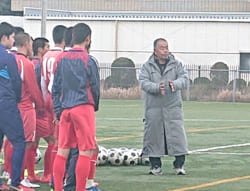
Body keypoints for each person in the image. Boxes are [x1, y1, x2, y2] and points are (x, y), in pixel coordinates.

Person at [52, 23, 100, 191]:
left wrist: (58, 111)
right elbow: (95, 86)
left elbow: (55, 88)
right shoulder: (89, 60)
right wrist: (94, 106)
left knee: (62, 151)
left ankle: (58, 188)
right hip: (83, 107)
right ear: (88, 39)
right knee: (85, 151)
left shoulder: (61, 59)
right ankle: (80, 188)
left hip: (65, 109)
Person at [139, 38, 189, 176]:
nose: (165, 50)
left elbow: (184, 78)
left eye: (166, 47)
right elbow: (143, 82)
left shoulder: (176, 64)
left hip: (173, 108)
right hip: (153, 109)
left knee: (177, 137)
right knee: (153, 138)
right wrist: (156, 87)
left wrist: (175, 84)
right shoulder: (147, 67)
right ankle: (155, 166)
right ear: (155, 51)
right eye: (162, 48)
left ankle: (179, 165)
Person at [15, 32, 44, 189]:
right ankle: (19, 179)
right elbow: (34, 90)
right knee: (26, 143)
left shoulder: (11, 59)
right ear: (26, 43)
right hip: (25, 108)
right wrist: (42, 107)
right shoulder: (26, 64)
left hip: (11, 107)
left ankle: (14, 175)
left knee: (14, 142)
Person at [0, 22, 27, 191]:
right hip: (6, 103)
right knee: (19, 142)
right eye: (11, 38)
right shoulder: (9, 57)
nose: (12, 41)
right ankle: (15, 182)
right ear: (4, 37)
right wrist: (17, 99)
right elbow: (16, 81)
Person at [41, 25, 66, 184]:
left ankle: (47, 173)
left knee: (52, 139)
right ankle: (55, 176)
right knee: (59, 140)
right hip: (59, 97)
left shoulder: (46, 55)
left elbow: (43, 82)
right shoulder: (62, 56)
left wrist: (44, 101)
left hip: (48, 97)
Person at [31, 37, 54, 184]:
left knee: (32, 143)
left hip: (33, 110)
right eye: (47, 47)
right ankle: (47, 174)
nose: (49, 50)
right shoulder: (38, 65)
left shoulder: (33, 63)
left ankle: (28, 174)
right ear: (40, 49)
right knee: (53, 140)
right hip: (38, 110)